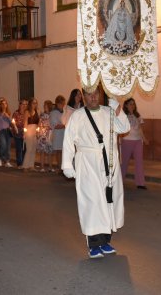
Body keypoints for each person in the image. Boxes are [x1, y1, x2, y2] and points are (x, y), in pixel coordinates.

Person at [62, 88, 129, 258]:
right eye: (89, 94)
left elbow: (125, 127)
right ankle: (93, 244)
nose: (93, 97)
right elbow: (68, 140)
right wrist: (67, 165)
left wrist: (117, 106)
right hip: (88, 164)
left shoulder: (108, 112)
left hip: (110, 164)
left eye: (96, 94)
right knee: (92, 203)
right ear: (83, 96)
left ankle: (105, 241)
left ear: (100, 95)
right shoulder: (77, 116)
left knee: (109, 201)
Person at [120, 98, 149, 189]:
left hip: (138, 141)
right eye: (130, 104)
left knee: (139, 162)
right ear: (126, 105)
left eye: (133, 104)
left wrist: (144, 139)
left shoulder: (137, 115)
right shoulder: (122, 115)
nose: (132, 106)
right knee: (124, 162)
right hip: (127, 140)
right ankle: (119, 182)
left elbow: (140, 129)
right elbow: (120, 129)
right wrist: (120, 139)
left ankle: (140, 183)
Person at [0, 97, 13, 168]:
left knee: (8, 147)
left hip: (8, 131)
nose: (4, 105)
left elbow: (11, 123)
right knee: (3, 145)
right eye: (3, 104)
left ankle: (7, 161)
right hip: (1, 131)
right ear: (1, 105)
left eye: (5, 104)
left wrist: (8, 116)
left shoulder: (8, 113)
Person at [21, 98, 39, 171]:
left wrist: (38, 131)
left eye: (36, 103)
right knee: (29, 148)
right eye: (33, 103)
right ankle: (25, 166)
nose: (35, 104)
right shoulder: (27, 112)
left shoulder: (37, 111)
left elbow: (38, 122)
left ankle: (31, 165)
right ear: (30, 104)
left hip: (35, 131)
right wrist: (24, 133)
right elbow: (25, 122)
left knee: (34, 149)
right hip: (29, 130)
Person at [50, 95, 66, 172]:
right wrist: (65, 125)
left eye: (64, 104)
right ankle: (59, 167)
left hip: (64, 134)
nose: (63, 105)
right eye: (61, 104)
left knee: (64, 151)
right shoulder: (53, 113)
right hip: (57, 134)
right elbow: (55, 125)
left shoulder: (64, 112)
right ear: (57, 104)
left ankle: (63, 167)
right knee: (59, 151)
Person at [37, 100, 54, 172]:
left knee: (50, 151)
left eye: (45, 105)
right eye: (44, 105)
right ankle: (42, 167)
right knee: (42, 151)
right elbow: (39, 123)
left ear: (49, 106)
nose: (44, 107)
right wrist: (38, 132)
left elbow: (53, 124)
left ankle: (50, 167)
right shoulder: (42, 115)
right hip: (42, 135)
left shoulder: (52, 114)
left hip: (49, 134)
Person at [11, 99, 27, 167]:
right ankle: (19, 163)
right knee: (19, 148)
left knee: (24, 149)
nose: (24, 106)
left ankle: (24, 162)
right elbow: (13, 122)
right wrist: (15, 126)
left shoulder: (27, 113)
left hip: (25, 134)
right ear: (20, 105)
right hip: (17, 134)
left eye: (26, 104)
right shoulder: (16, 113)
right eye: (23, 104)